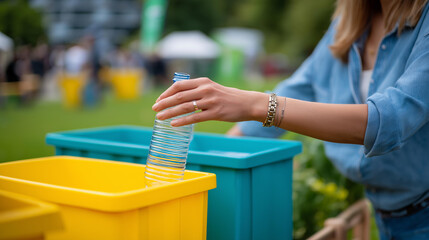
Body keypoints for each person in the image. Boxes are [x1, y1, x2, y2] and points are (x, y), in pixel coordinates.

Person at [152, 0, 429, 239]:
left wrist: (257, 104)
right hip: (387, 212)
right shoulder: (349, 23)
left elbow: (391, 119)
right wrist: (216, 161)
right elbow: (298, 88)